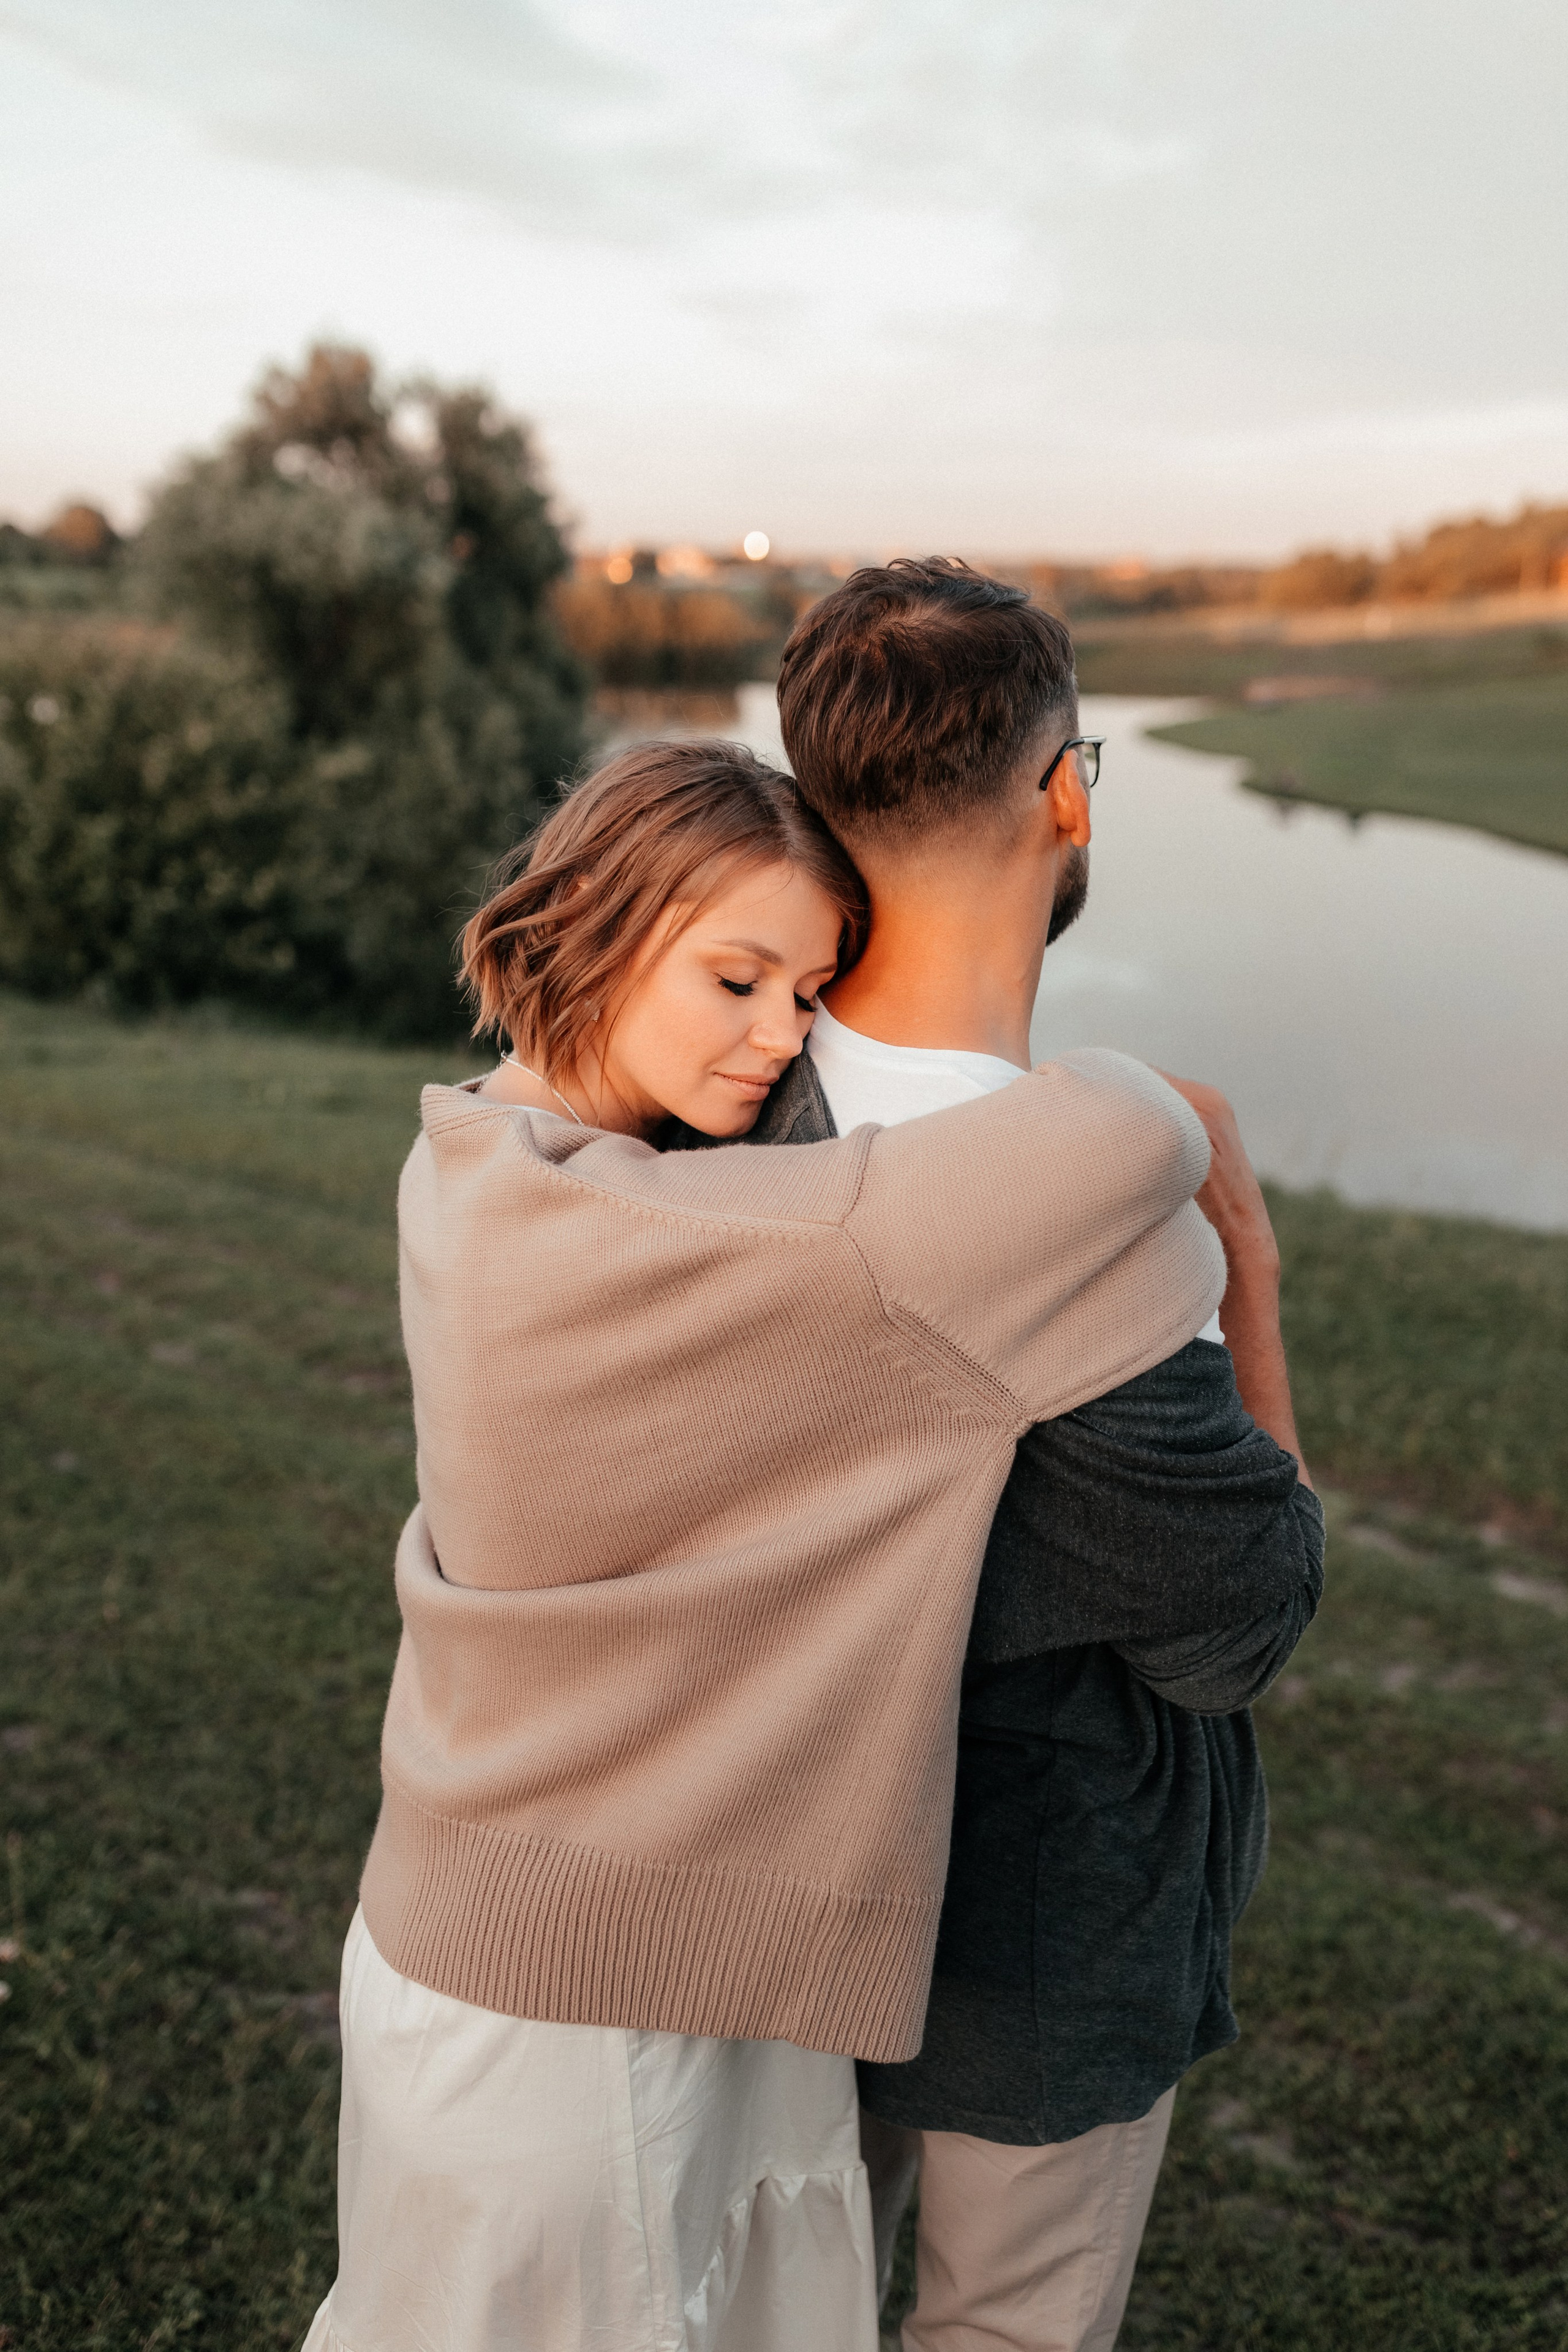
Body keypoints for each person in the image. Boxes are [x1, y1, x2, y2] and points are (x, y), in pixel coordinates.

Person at [302, 737, 1230, 2352]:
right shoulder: (661, 1237)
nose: (779, 1037)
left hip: (504, 1948)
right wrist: (1174, 1112)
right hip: (580, 2022)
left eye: (808, 991)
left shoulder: (469, 1158)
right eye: (736, 977)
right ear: (591, 914)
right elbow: (1119, 1143)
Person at [737, 558, 1325, 2352]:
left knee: (777, 2303)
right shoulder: (1111, 1238)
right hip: (1041, 1939)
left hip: (767, 1904)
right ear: (1067, 793)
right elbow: (1242, 1621)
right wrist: (1245, 1255)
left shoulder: (734, 1107)